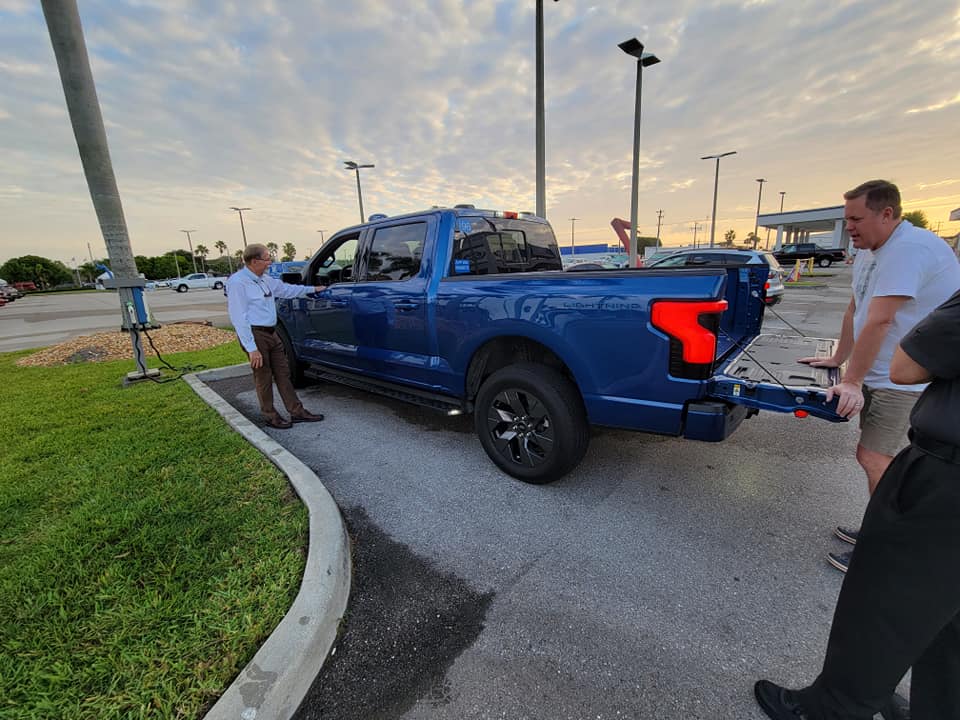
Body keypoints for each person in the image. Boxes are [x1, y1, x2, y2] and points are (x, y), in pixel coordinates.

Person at [755, 288, 960, 720]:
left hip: (946, 479)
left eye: (854, 217)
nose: (850, 227)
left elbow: (906, 366)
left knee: (885, 603)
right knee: (949, 620)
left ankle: (830, 709)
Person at [800, 180, 960, 572]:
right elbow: (858, 306)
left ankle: (886, 549)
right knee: (877, 458)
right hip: (883, 375)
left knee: (876, 458)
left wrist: (851, 381)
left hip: (905, 381)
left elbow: (882, 319)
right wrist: (839, 357)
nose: (849, 227)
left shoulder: (908, 249)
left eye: (856, 218)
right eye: (846, 219)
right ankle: (880, 527)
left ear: (887, 214)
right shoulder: (874, 249)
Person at [226, 244, 325, 429]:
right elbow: (238, 317)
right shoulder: (238, 283)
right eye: (267, 259)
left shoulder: (264, 279)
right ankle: (270, 415)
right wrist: (251, 348)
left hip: (272, 333)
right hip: (256, 335)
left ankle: (296, 411)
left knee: (283, 373)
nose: (270, 262)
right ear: (254, 261)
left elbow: (286, 290)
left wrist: (314, 289)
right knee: (263, 377)